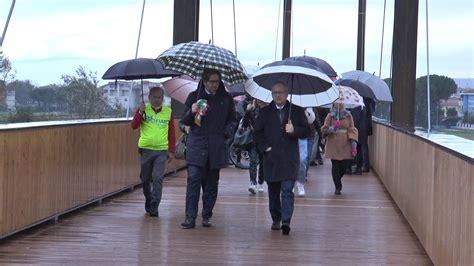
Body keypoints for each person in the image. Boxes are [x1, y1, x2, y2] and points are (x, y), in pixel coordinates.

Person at [180, 68, 237, 229]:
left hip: (216, 146)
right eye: (212, 82)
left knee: (211, 184)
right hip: (197, 145)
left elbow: (233, 119)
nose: (215, 85)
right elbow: (184, 121)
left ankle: (207, 215)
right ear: (204, 81)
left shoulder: (226, 98)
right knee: (193, 181)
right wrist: (191, 112)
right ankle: (190, 217)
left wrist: (227, 134)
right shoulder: (194, 96)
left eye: (217, 81)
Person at [254, 81, 310, 235]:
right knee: (273, 191)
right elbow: (257, 133)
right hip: (271, 158)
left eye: (280, 92)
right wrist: (265, 147)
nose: (277, 95)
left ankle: (286, 221)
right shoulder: (265, 112)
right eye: (274, 93)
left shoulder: (297, 111)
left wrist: (294, 130)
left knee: (287, 189)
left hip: (289, 158)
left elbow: (307, 131)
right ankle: (276, 219)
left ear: (286, 93)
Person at [130, 86, 176, 217]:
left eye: (159, 97)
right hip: (145, 149)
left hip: (161, 150)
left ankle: (155, 205)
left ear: (163, 98)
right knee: (145, 179)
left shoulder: (168, 112)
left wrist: (171, 150)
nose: (157, 100)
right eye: (154, 97)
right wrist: (140, 112)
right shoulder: (143, 110)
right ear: (149, 98)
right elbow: (134, 126)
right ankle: (148, 198)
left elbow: (171, 132)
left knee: (157, 178)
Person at [321, 102, 358, 195]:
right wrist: (333, 128)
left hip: (345, 143)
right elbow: (324, 130)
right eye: (337, 101)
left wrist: (353, 145)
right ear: (333, 104)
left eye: (341, 101)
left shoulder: (349, 116)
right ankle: (337, 186)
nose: (339, 103)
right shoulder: (330, 116)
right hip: (333, 143)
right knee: (335, 166)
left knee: (344, 166)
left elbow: (352, 129)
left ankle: (338, 180)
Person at [242, 98, 267, 194]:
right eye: (258, 100)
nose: (259, 102)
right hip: (252, 140)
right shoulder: (251, 109)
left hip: (264, 140)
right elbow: (244, 124)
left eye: (261, 101)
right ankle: (253, 183)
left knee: (263, 162)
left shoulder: (268, 111)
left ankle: (260, 182)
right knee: (253, 160)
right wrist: (247, 111)